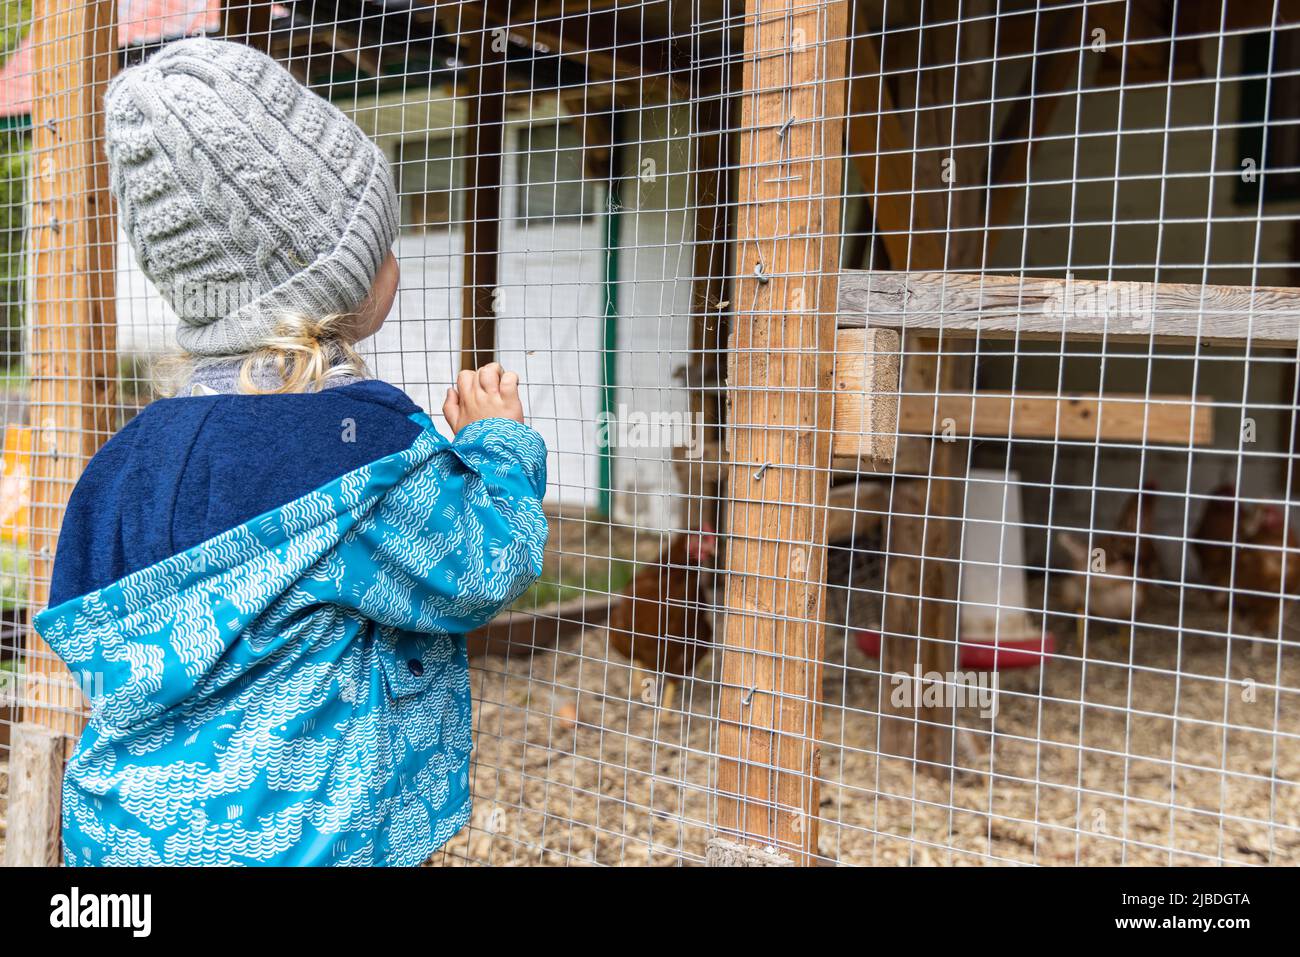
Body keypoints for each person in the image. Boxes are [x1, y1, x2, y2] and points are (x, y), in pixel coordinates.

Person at [34, 36, 548, 866]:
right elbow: (485, 565)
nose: (394, 255)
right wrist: (498, 442)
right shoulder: (359, 448)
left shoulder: (116, 469)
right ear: (328, 282)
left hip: (125, 844)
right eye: (377, 241)